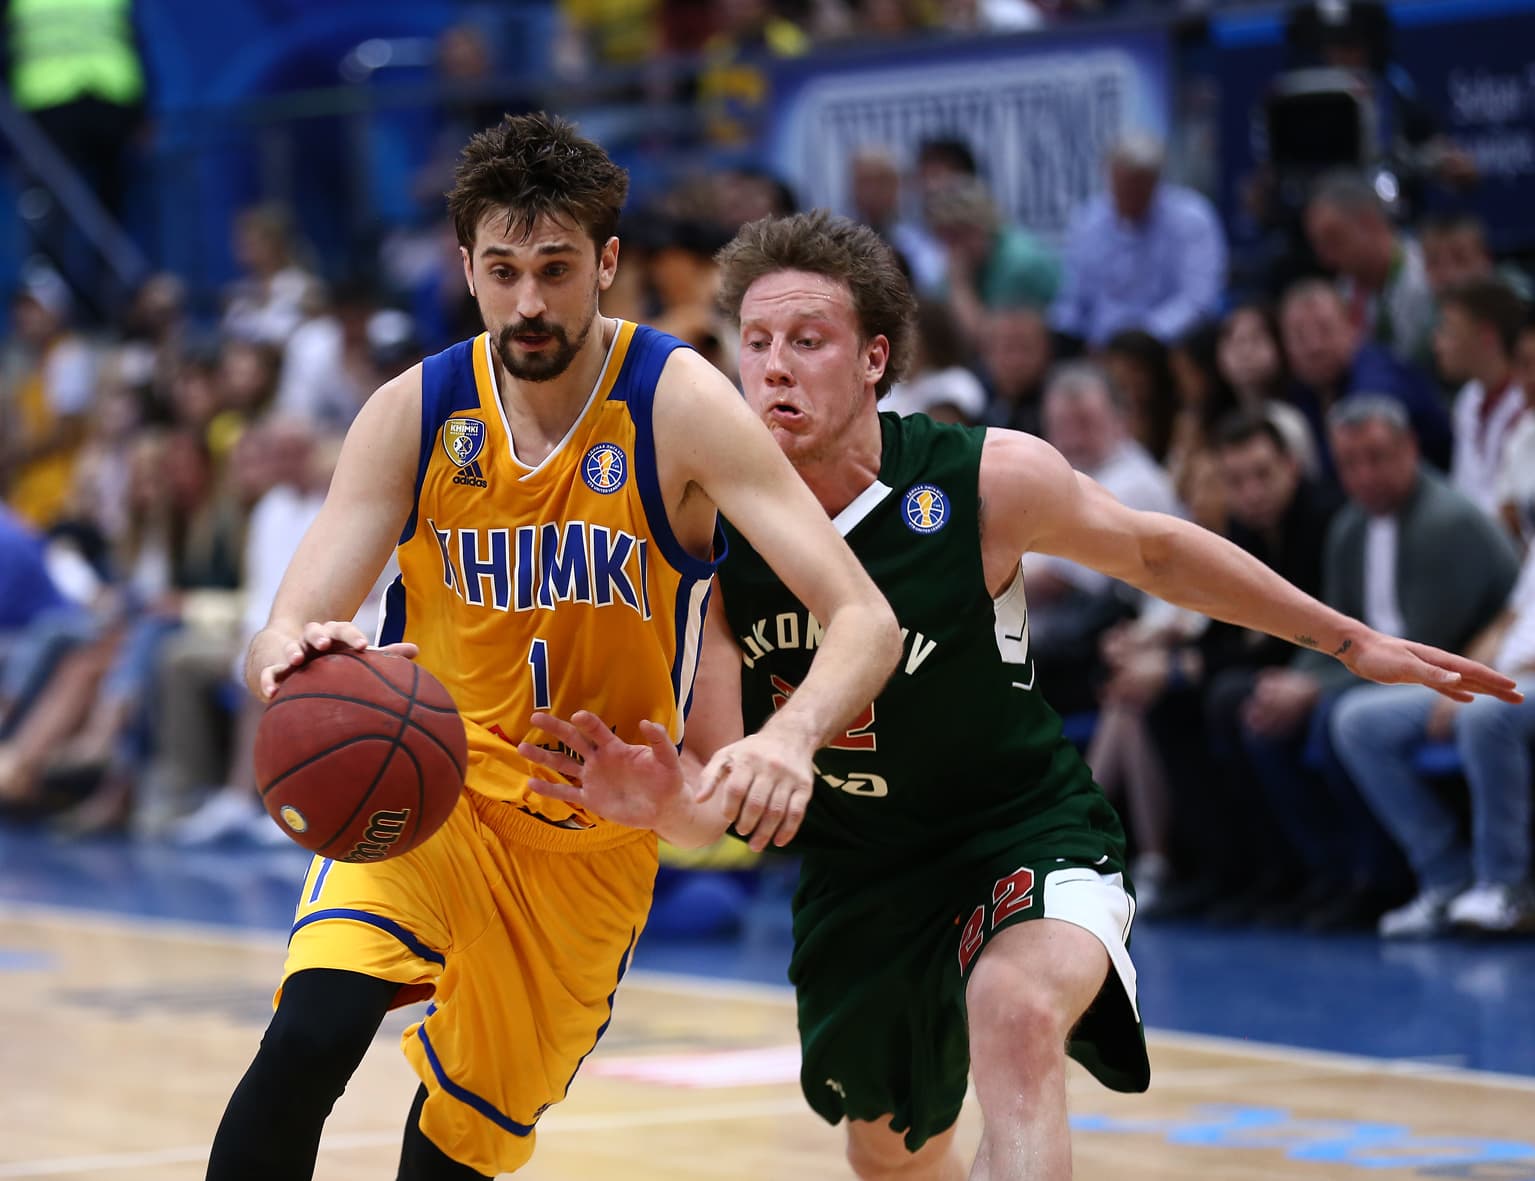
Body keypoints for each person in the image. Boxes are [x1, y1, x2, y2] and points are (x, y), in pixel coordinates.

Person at [518, 211, 1520, 1181]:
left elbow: (1152, 550)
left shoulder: (982, 480)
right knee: (889, 1154)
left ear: (872, 358)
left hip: (1019, 827)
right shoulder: (707, 534)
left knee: (1015, 1015)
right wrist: (661, 803)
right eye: (757, 341)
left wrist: (1347, 638)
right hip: (861, 874)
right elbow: (715, 799)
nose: (774, 366)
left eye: (807, 340)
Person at [203, 115, 901, 1181]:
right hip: (431, 791)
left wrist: (789, 736)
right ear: (467, 271)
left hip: (590, 841)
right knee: (309, 1033)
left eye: (555, 268)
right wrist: (298, 654)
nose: (528, 301)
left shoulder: (677, 403)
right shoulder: (415, 411)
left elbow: (863, 617)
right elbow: (279, 627)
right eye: (503, 271)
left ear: (606, 263)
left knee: (452, 1150)